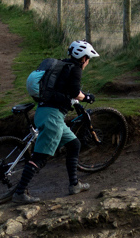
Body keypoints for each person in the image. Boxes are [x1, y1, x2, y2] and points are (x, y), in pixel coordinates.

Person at [12, 40, 100, 204]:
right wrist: (87, 97)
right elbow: (75, 92)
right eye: (88, 59)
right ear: (83, 58)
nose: (87, 62)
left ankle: (74, 185)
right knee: (41, 157)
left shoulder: (64, 66)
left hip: (46, 112)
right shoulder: (75, 69)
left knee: (74, 144)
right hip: (52, 116)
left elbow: (63, 90)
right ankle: (19, 192)